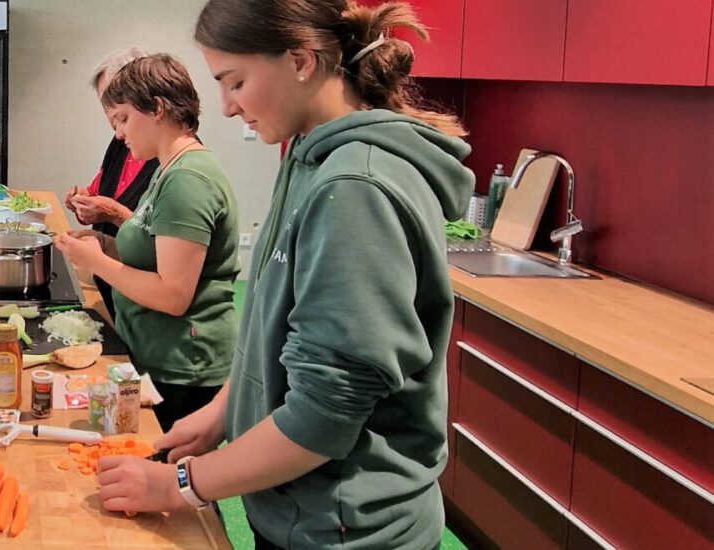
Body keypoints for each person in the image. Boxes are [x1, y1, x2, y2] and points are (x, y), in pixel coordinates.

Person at [93, 2, 474, 549]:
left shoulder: (356, 188)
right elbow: (279, 332)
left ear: (300, 60)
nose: (225, 108)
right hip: (302, 509)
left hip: (345, 528)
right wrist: (222, 413)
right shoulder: (308, 159)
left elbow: (324, 413)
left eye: (236, 81)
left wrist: (181, 484)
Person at [54, 54, 241, 432]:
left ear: (157, 108)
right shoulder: (168, 169)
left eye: (123, 119)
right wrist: (105, 246)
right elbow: (157, 254)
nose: (119, 134)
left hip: (182, 366)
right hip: (156, 351)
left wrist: (96, 261)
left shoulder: (188, 179)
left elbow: (173, 294)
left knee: (170, 473)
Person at [64, 46, 158, 319]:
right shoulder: (121, 142)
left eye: (122, 115)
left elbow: (156, 252)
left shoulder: (176, 168)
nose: (116, 128)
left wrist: (112, 214)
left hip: (142, 307)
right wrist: (83, 199)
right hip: (114, 288)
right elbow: (99, 189)